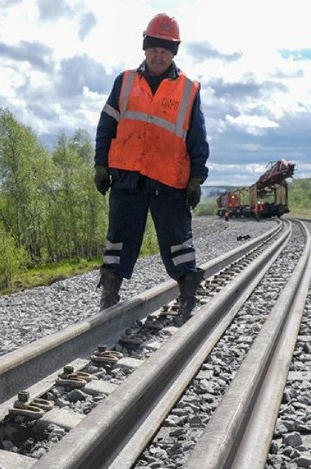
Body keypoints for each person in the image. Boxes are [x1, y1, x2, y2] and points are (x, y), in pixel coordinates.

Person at [93, 13, 209, 319]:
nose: (159, 55)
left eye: (166, 50)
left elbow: (197, 138)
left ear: (173, 53)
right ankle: (109, 296)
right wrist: (100, 165)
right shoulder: (125, 81)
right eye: (154, 49)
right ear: (145, 48)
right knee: (119, 238)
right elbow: (106, 126)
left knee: (178, 241)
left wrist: (196, 178)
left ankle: (187, 296)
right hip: (127, 176)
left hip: (169, 180)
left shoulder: (188, 89)